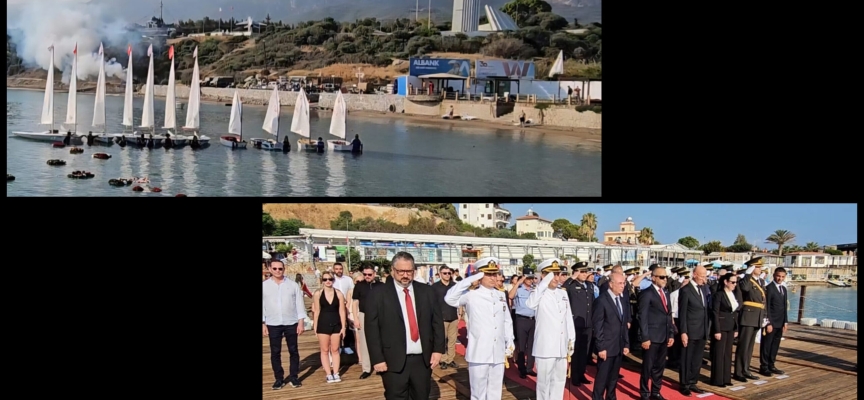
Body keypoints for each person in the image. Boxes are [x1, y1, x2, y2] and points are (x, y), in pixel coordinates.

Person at [365, 252, 445, 400]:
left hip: (422, 360)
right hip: (392, 361)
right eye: (400, 271)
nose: (405, 275)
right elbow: (371, 329)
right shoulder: (378, 294)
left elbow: (437, 322)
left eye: (409, 271)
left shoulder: (427, 291)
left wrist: (438, 350)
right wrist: (377, 359)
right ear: (392, 270)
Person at [445, 257, 514, 400]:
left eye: (495, 274)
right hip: (480, 350)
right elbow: (449, 298)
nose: (493, 277)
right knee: (478, 392)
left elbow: (507, 320)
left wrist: (510, 340)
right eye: (488, 274)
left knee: (495, 391)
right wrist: (471, 279)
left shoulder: (500, 294)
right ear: (480, 275)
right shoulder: (471, 295)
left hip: (498, 350)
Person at [526, 258, 575, 400]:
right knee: (544, 383)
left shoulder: (563, 293)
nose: (555, 278)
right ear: (543, 275)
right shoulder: (538, 293)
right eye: (551, 274)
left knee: (559, 381)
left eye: (557, 274)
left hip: (561, 345)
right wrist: (543, 283)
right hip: (545, 347)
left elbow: (568, 319)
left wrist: (571, 340)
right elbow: (530, 304)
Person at [262, 260, 308, 390]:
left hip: (291, 322)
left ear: (284, 269)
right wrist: (263, 323)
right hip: (273, 322)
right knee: (275, 352)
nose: (278, 271)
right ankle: (279, 378)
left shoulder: (293, 285)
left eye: (280, 269)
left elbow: (300, 304)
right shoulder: (264, 286)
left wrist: (301, 322)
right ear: (270, 269)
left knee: (293, 350)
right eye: (275, 268)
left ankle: (294, 376)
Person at [591, 271, 630, 400]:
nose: (622, 286)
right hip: (606, 347)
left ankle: (611, 397)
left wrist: (626, 343)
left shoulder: (622, 299)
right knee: (602, 378)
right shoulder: (601, 301)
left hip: (618, 346)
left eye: (624, 283)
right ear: (611, 284)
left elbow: (623, 324)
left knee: (613, 378)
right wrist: (600, 347)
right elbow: (598, 326)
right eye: (620, 283)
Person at [638, 265, 674, 400]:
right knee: (647, 367)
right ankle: (645, 393)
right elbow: (642, 316)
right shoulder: (646, 293)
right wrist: (645, 337)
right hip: (651, 337)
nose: (665, 279)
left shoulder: (666, 293)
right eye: (662, 277)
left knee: (659, 367)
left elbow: (668, 315)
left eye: (666, 277)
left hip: (663, 336)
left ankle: (656, 391)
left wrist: (671, 334)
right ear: (653, 278)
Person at [677, 266, 710, 396]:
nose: (704, 279)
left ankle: (693, 381)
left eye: (705, 276)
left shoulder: (704, 289)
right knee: (687, 358)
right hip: (690, 330)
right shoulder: (686, 290)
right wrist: (683, 332)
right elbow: (682, 313)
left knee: (697, 358)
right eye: (702, 276)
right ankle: (684, 384)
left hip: (702, 329)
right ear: (694, 274)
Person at [734, 257, 766, 382]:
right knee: (743, 345)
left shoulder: (761, 282)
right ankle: (738, 372)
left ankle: (746, 370)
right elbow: (745, 289)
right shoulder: (745, 280)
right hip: (748, 316)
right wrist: (747, 274)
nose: (760, 269)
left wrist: (765, 316)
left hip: (757, 316)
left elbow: (764, 300)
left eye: (759, 267)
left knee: (750, 346)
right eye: (757, 267)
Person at [313, 271, 347, 383]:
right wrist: (315, 326)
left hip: (336, 323)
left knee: (335, 349)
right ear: (322, 281)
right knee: (324, 350)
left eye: (330, 279)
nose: (328, 281)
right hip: (323, 324)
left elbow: (342, 311)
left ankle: (336, 372)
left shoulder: (339, 294)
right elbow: (316, 311)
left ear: (333, 280)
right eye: (325, 279)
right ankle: (328, 373)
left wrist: (344, 327)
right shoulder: (318, 294)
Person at [566, 262, 595, 386]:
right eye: (581, 272)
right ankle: (575, 376)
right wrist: (571, 278)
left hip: (588, 323)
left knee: (585, 351)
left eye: (585, 272)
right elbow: (562, 289)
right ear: (576, 272)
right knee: (576, 351)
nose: (584, 274)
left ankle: (581, 373)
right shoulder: (571, 285)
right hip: (575, 323)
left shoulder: (589, 286)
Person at [710, 273, 741, 387]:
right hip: (721, 326)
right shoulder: (719, 295)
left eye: (735, 282)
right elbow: (715, 312)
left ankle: (726, 378)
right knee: (719, 353)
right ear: (725, 282)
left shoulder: (732, 294)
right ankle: (717, 379)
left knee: (728, 352)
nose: (734, 284)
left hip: (731, 326)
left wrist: (736, 328)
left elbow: (735, 313)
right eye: (732, 282)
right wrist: (716, 330)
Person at [353, 265, 383, 379]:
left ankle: (379, 365)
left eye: (369, 274)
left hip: (378, 315)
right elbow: (355, 302)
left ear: (374, 274)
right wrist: (356, 318)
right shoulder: (359, 285)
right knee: (364, 341)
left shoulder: (381, 286)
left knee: (379, 340)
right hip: (364, 314)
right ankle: (366, 368)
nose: (367, 276)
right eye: (365, 274)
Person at [508, 267, 537, 379]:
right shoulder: (519, 289)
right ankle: (522, 369)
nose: (530, 280)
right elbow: (510, 296)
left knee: (531, 346)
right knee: (521, 346)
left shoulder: (535, 290)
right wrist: (518, 282)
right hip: (521, 319)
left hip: (533, 320)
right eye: (528, 278)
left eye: (531, 278)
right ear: (524, 278)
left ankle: (530, 368)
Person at [760, 267, 789, 376]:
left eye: (782, 277)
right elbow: (766, 307)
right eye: (778, 276)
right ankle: (764, 366)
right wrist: (768, 322)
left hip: (780, 322)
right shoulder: (769, 289)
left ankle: (771, 364)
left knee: (775, 345)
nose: (780, 278)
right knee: (767, 345)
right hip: (771, 322)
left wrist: (785, 321)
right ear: (774, 275)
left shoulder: (784, 289)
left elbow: (785, 306)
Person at [431, 265, 460, 370]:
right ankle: (443, 360)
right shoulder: (435, 287)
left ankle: (450, 359)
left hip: (453, 316)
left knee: (452, 340)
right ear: (440, 274)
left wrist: (460, 313)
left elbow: (459, 299)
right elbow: (431, 303)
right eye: (445, 273)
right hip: (440, 317)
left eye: (449, 273)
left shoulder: (454, 285)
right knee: (442, 340)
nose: (447, 275)